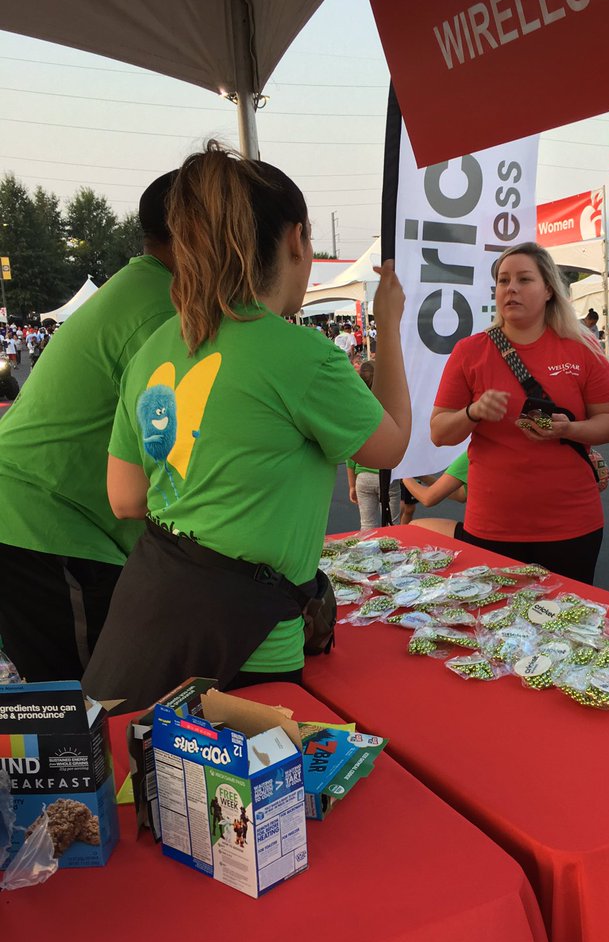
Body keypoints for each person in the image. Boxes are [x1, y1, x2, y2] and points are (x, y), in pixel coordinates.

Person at [83, 142, 410, 712]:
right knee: (248, 772)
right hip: (248, 644)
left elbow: (126, 498)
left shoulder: (155, 347)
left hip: (147, 614)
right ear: (297, 240)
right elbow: (391, 446)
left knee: (138, 761)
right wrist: (389, 324)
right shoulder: (301, 354)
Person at [0, 171, 179, 683]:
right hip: (47, 526)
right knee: (95, 702)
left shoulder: (145, 289)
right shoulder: (164, 313)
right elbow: (172, 470)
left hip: (50, 521)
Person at [431, 241, 609, 583]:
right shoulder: (470, 351)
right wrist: (473, 412)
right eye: (503, 281)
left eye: (524, 279)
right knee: (493, 615)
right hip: (492, 525)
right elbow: (439, 433)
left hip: (571, 524)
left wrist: (568, 429)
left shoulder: (582, 348)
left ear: (549, 289)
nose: (511, 289)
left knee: (566, 615)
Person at [347, 360, 401, 526]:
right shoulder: (391, 410)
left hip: (363, 476)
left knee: (367, 525)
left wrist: (352, 485)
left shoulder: (357, 412)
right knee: (392, 526)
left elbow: (351, 454)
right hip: (388, 476)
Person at [402, 450, 470, 538]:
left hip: (478, 535)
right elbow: (460, 495)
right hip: (487, 531)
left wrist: (403, 474)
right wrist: (424, 477)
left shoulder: (469, 456)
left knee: (413, 527)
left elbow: (427, 499)